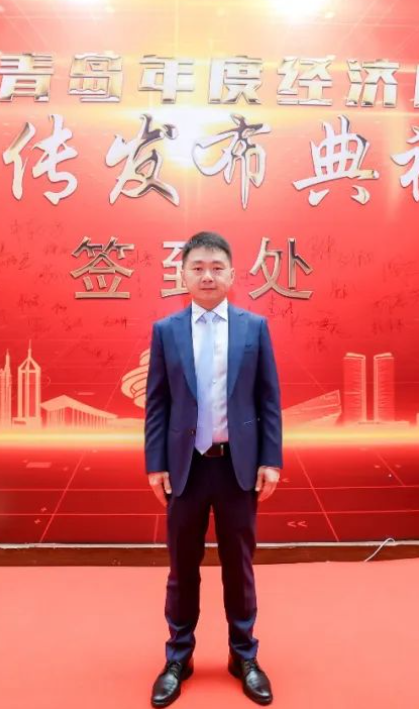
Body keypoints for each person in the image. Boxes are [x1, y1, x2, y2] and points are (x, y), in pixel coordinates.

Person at [144, 231, 283, 707]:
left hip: (236, 468)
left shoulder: (253, 328)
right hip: (185, 467)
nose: (207, 275)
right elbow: (157, 404)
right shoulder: (166, 330)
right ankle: (177, 658)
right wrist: (155, 464)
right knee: (182, 567)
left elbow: (268, 399)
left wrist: (271, 459)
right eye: (198, 267)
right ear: (182, 274)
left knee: (238, 567)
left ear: (232, 274)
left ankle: (244, 655)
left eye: (216, 267)